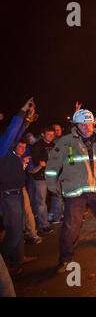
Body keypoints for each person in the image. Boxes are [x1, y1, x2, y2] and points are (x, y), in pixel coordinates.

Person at [45, 108, 96, 273]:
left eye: (89, 123)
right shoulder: (66, 142)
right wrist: (51, 183)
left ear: (93, 123)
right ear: (76, 125)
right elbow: (53, 164)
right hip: (76, 192)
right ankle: (65, 258)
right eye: (82, 124)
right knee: (70, 226)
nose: (86, 127)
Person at [0, 98, 39, 276]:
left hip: (17, 193)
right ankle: (3, 260)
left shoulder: (7, 146)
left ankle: (18, 259)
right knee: (14, 232)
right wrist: (22, 111)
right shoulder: (1, 146)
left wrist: (28, 119)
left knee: (19, 229)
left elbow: (16, 133)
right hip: (8, 196)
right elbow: (12, 132)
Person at [30, 127, 56, 235]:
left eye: (52, 134)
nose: (50, 136)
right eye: (48, 134)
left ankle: (54, 218)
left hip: (52, 176)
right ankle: (43, 225)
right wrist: (41, 163)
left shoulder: (54, 146)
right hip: (40, 177)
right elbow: (36, 161)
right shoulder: (37, 146)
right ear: (42, 134)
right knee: (41, 202)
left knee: (55, 198)